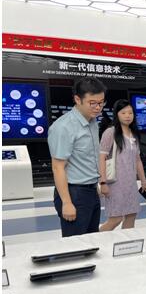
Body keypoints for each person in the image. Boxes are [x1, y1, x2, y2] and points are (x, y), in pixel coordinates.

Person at [48, 77, 106, 237]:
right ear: (77, 99)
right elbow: (58, 167)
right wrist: (67, 203)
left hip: (90, 190)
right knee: (75, 245)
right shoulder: (64, 127)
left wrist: (95, 185)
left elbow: (87, 159)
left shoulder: (93, 122)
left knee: (92, 240)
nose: (98, 107)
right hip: (74, 193)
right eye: (92, 103)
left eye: (101, 103)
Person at [98, 99, 146, 231]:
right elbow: (101, 158)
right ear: (117, 114)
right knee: (116, 219)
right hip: (115, 183)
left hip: (131, 184)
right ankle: (95, 239)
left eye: (130, 113)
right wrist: (102, 182)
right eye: (123, 113)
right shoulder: (111, 132)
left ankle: (127, 242)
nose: (127, 116)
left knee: (131, 215)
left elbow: (137, 160)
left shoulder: (134, 134)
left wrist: (143, 181)